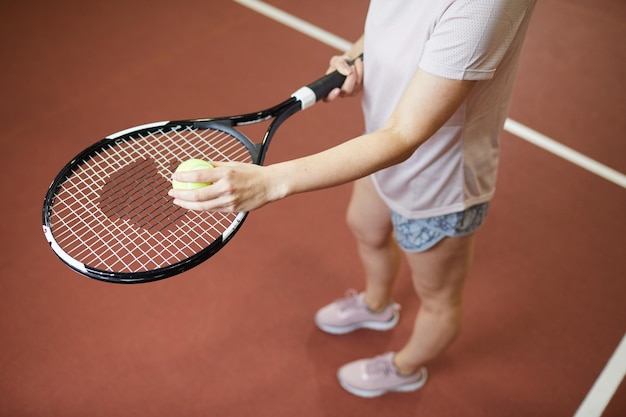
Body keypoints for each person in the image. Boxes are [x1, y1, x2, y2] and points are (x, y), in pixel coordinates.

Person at [169, 0, 537, 398]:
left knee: (438, 300)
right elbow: (395, 23)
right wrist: (355, 55)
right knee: (366, 228)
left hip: (438, 184)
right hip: (378, 149)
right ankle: (378, 306)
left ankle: (405, 367)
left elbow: (404, 136)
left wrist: (270, 182)